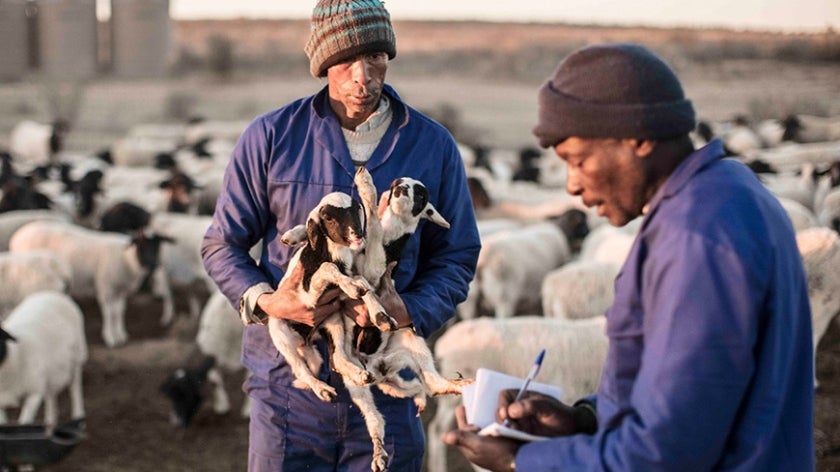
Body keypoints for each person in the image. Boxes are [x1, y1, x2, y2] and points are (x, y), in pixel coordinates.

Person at [443, 42, 815, 471]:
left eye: (578, 160)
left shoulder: (697, 237)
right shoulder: (729, 192)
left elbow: (663, 454)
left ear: (636, 137)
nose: (572, 187)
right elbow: (690, 395)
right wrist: (584, 420)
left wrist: (523, 461)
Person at [200, 1, 480, 470]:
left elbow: (456, 257)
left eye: (375, 58)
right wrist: (271, 302)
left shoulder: (432, 145)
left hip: (387, 377)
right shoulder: (271, 137)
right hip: (290, 387)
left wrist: (408, 309)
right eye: (346, 61)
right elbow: (222, 243)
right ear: (322, 63)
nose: (362, 76)